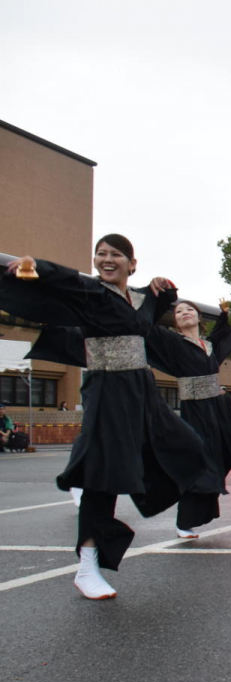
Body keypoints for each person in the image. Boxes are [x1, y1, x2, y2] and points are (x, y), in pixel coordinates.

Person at [0, 235, 207, 600]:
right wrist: (37, 265)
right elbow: (69, 279)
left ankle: (90, 473)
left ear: (132, 263)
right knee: (106, 479)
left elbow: (155, 302)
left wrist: (163, 288)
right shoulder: (91, 292)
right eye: (100, 254)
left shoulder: (139, 299)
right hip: (107, 390)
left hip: (142, 391)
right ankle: (87, 566)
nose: (106, 259)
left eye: (116, 255)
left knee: (187, 446)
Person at [145, 299, 231, 538]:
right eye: (178, 311)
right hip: (195, 411)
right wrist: (155, 299)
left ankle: (200, 511)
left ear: (199, 318)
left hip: (216, 409)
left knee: (223, 455)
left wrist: (224, 313)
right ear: (175, 321)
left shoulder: (207, 344)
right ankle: (183, 521)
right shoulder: (174, 342)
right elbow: (147, 328)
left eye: (189, 310)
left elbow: (221, 334)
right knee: (199, 463)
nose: (184, 313)